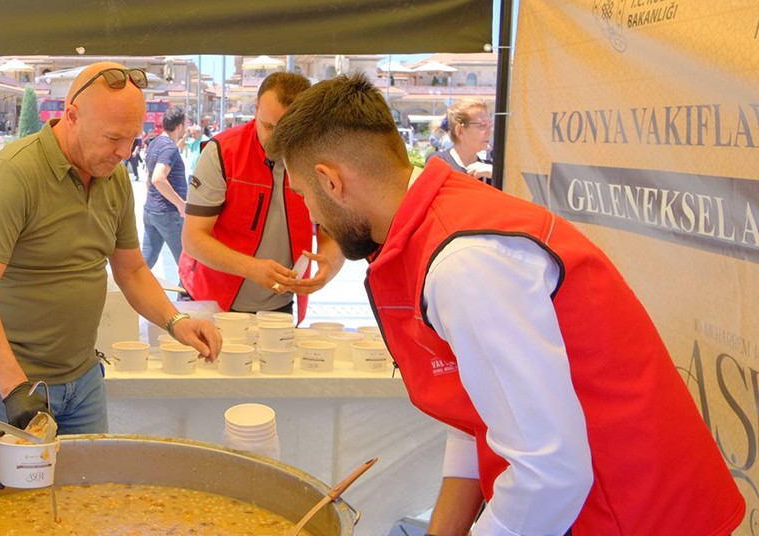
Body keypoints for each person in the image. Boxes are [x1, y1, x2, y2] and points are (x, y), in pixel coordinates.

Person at [266, 72, 744, 536]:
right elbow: (476, 409)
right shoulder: (437, 221)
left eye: (305, 195)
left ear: (331, 182)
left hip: (629, 512)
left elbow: (548, 472)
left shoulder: (465, 261)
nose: (311, 214)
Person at [0, 62, 221, 434]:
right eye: (113, 138)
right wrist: (13, 387)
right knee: (15, 493)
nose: (125, 153)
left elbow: (131, 270)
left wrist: (176, 322)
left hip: (83, 380)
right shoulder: (14, 173)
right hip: (10, 382)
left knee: (89, 490)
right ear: (72, 116)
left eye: (133, 138)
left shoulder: (111, 178)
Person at [178, 72, 341, 321]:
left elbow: (331, 231)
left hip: (278, 305)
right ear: (255, 108)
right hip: (211, 302)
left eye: (288, 129)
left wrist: (328, 265)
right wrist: (251, 268)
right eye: (269, 126)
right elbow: (193, 239)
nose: (276, 139)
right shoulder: (222, 152)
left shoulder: (317, 159)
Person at [142, 106, 187, 271]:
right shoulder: (169, 147)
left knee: (144, 263)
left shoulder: (154, 143)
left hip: (151, 211)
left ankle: (125, 294)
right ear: (179, 126)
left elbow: (148, 178)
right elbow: (158, 178)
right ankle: (186, 296)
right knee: (187, 264)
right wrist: (180, 203)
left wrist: (153, 201)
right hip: (168, 213)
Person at [427, 99, 493, 183]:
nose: (490, 132)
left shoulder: (488, 170)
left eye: (490, 126)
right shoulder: (439, 161)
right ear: (460, 131)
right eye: (482, 126)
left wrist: (494, 173)